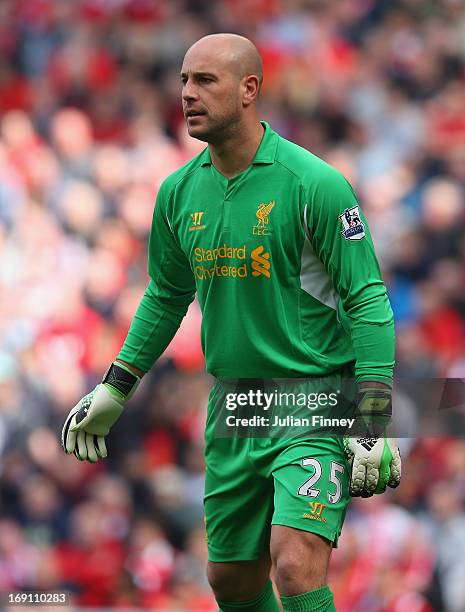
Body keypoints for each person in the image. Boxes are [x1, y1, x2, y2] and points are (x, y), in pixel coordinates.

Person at [62, 33, 401, 612]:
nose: (188, 94)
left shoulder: (314, 185)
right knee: (231, 582)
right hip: (236, 407)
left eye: (205, 81)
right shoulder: (177, 193)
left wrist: (373, 413)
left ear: (250, 89)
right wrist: (117, 385)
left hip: (316, 400)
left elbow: (367, 301)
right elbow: (167, 295)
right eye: (184, 82)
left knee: (295, 565)